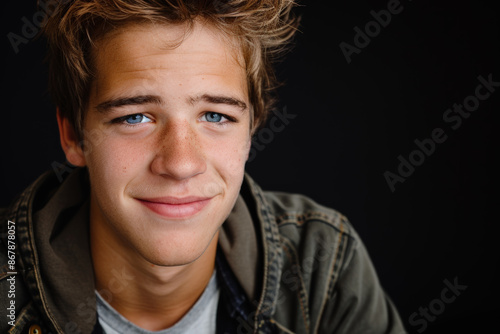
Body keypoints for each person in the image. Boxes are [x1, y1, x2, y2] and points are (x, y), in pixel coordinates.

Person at [0, 0, 406, 333]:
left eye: (215, 116)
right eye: (135, 117)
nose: (180, 164)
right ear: (73, 136)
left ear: (252, 129)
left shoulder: (323, 264)